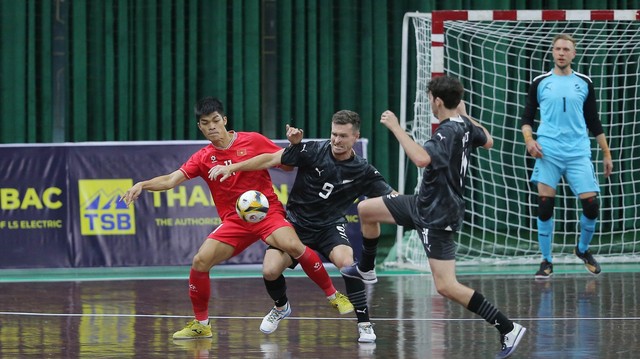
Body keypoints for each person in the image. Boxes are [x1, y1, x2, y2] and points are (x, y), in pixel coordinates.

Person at [121, 97, 353, 340]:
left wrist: (294, 146)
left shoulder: (252, 140)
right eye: (205, 123)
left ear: (225, 121)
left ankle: (333, 295)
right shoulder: (202, 157)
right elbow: (170, 180)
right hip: (235, 221)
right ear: (200, 127)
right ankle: (202, 324)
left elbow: (286, 165)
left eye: (215, 121)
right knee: (200, 261)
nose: (211, 126)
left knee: (293, 245)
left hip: (267, 212)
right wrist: (142, 185)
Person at [340, 75, 526, 358]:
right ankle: (367, 268)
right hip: (422, 203)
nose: (430, 103)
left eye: (430, 98)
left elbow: (421, 159)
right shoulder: (464, 124)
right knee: (366, 210)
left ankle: (507, 326)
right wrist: (464, 113)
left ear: (437, 101)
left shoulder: (446, 132)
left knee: (446, 286)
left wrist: (396, 128)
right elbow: (488, 140)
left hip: (437, 215)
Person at [209, 110, 395, 343]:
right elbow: (270, 158)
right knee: (269, 270)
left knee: (347, 265)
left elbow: (392, 198)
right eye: (334, 134)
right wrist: (232, 168)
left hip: (329, 226)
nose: (337, 140)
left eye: (343, 136)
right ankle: (280, 307)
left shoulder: (364, 170)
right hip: (295, 224)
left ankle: (365, 323)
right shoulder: (313, 150)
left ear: (355, 137)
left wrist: (413, 207)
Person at [520, 34, 613, 279]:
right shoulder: (541, 82)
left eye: (566, 49)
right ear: (552, 52)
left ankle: (582, 249)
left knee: (592, 204)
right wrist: (530, 142)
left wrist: (606, 153)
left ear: (573, 54)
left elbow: (594, 121)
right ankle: (546, 261)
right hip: (548, 151)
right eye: (558, 49)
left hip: (578, 152)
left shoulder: (584, 82)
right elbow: (527, 119)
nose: (561, 53)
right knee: (544, 204)